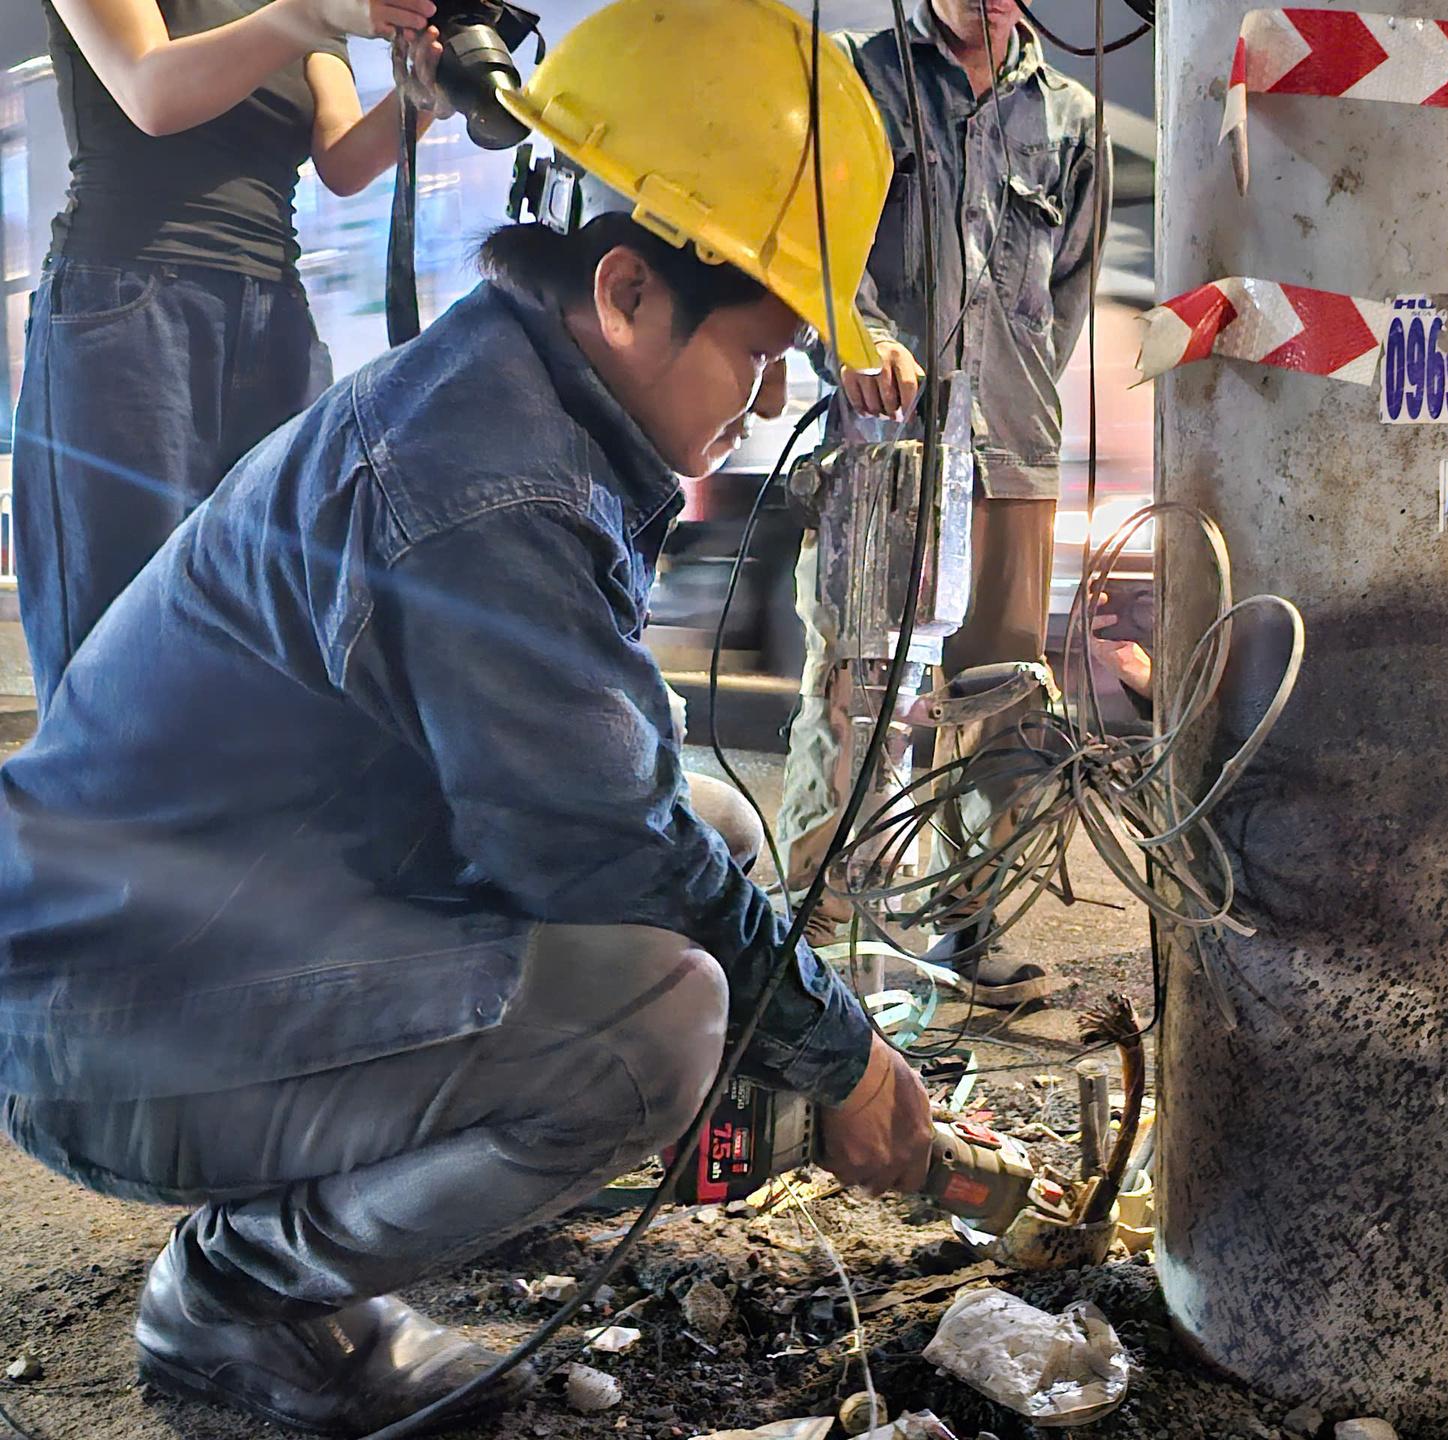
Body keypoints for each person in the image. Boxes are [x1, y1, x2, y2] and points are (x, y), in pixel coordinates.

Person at [0, 0, 929, 1432]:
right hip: (114, 1023)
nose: (763, 404)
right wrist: (847, 1057)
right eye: (757, 354)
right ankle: (240, 1299)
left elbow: (616, 812)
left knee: (716, 828)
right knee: (655, 1024)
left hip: (203, 933)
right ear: (626, 290)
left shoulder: (513, 392)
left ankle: (444, 1163)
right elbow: (604, 852)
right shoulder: (490, 484)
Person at [775, 0, 1109, 1007]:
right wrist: (854, 338)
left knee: (1005, 699)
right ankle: (811, 940)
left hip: (1011, 452)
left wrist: (1019, 395)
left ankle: (970, 929)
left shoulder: (1072, 119)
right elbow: (808, 246)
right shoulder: (854, 78)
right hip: (883, 449)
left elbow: (1067, 291)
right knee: (857, 698)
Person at [11, 0, 451, 709]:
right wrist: (316, 10)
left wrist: (423, 95)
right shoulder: (306, 7)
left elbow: (343, 160)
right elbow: (151, 92)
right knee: (113, 654)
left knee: (273, 626)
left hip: (275, 313)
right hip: (129, 305)